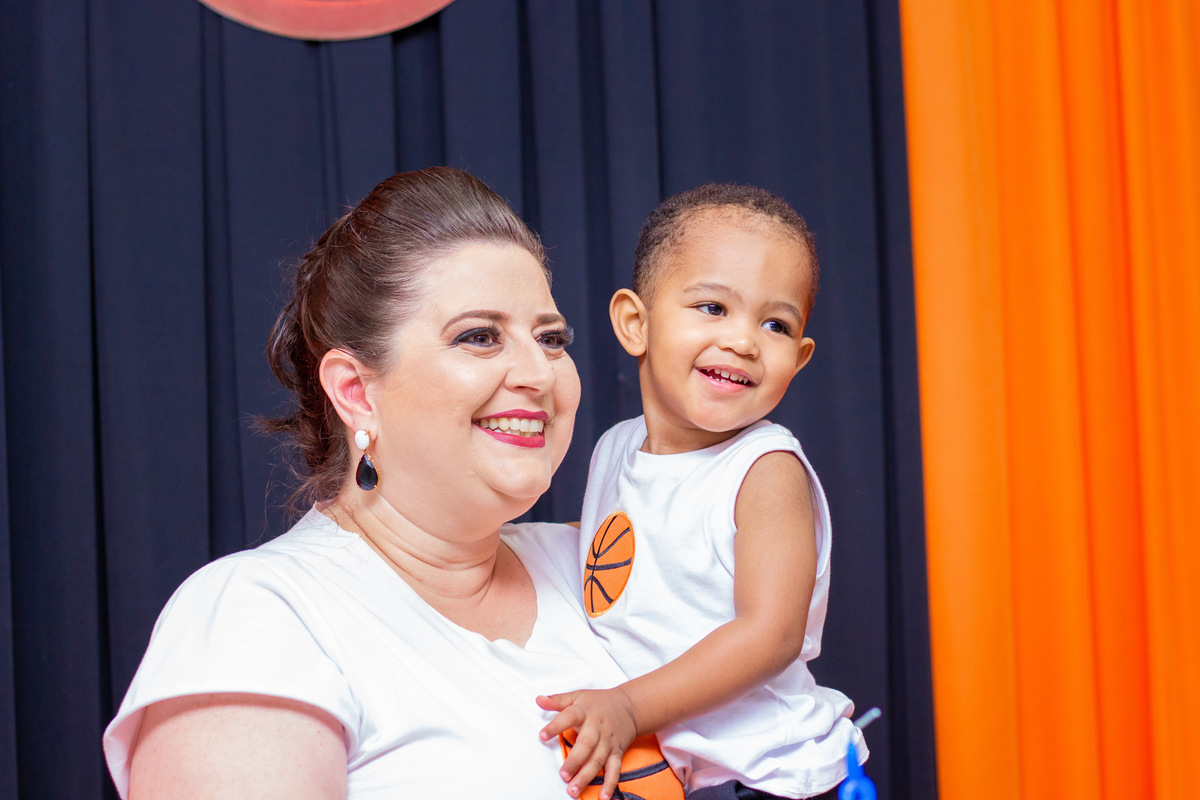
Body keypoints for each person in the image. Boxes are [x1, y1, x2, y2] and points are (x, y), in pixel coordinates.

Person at [102, 167, 682, 799]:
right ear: (356, 391)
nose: (538, 374)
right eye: (479, 337)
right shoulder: (263, 616)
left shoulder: (599, 568)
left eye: (550, 338)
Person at [537, 184, 867, 799]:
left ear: (798, 358)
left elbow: (770, 634)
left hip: (769, 776)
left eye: (775, 324)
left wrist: (630, 707)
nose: (744, 340)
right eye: (714, 308)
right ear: (636, 324)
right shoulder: (613, 449)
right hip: (674, 770)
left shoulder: (764, 471)